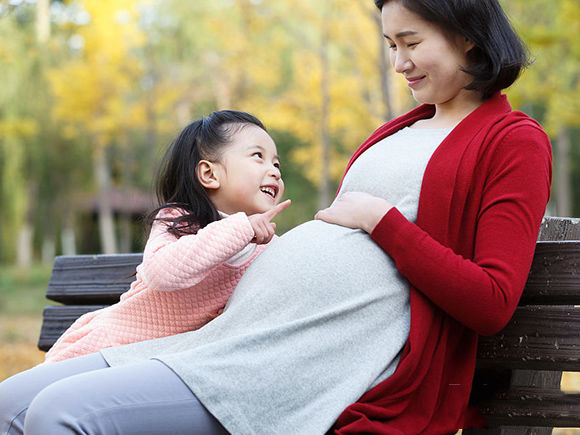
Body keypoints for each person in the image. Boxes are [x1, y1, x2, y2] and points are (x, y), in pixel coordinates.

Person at [0, 0, 552, 434]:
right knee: (10, 405)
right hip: (230, 336)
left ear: (469, 35)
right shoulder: (401, 129)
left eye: (411, 42)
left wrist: (382, 220)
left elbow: (490, 301)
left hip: (294, 364)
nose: (398, 61)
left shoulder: (513, 141)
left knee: (60, 416)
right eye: (390, 43)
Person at [43, 109, 290, 363]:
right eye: (258, 156)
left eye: (276, 163)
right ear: (209, 174)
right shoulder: (177, 219)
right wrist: (241, 229)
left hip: (169, 368)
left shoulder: (269, 248)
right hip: (110, 346)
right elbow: (161, 272)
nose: (275, 172)